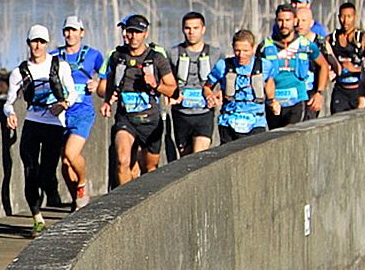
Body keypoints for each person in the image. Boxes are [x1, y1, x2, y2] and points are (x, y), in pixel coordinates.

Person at [3, 24, 77, 231]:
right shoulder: (19, 72)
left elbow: (72, 93)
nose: (37, 46)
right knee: (29, 171)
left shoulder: (59, 66)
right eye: (34, 42)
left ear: (47, 44)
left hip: (54, 125)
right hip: (32, 124)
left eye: (41, 42)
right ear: (28, 44)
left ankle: (49, 194)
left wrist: (63, 104)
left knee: (46, 173)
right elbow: (8, 102)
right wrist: (10, 113)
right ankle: (37, 216)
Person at [102, 15, 177, 187]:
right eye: (130, 32)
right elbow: (110, 82)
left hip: (150, 121)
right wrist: (107, 101)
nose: (133, 36)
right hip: (125, 119)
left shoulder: (157, 58)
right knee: (122, 160)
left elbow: (172, 89)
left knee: (150, 168)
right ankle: (125, 205)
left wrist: (156, 84)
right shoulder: (117, 57)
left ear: (145, 34)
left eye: (138, 32)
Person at [54, 16, 105, 208]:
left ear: (81, 33)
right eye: (67, 30)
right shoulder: (55, 55)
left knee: (71, 153)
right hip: (61, 115)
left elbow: (106, 76)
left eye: (74, 30)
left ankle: (83, 183)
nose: (70, 34)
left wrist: (98, 83)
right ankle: (77, 201)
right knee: (65, 164)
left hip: (83, 112)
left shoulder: (93, 55)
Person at [168, 11, 221, 157]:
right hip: (181, 114)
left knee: (199, 157)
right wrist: (169, 94)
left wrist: (218, 95)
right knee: (185, 159)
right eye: (187, 28)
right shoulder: (173, 53)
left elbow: (223, 80)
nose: (191, 32)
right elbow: (167, 80)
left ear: (203, 29)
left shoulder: (215, 54)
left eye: (196, 28)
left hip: (204, 114)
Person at [261, 5, 316, 129]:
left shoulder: (305, 44)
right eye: (280, 20)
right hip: (274, 102)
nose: (283, 24)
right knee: (274, 138)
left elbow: (323, 65)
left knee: (291, 134)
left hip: (296, 100)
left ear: (294, 21)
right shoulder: (266, 45)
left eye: (287, 20)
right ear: (276, 21)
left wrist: (319, 92)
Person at [212, 30, 269, 143]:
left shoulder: (265, 65)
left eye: (245, 51)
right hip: (229, 121)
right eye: (237, 50)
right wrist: (211, 97)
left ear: (253, 48)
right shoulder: (222, 66)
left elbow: (271, 83)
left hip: (255, 122)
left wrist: (272, 101)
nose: (241, 55)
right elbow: (207, 87)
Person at [322, 3, 365, 113]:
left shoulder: (363, 39)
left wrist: (356, 69)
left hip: (358, 91)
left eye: (349, 17)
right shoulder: (332, 39)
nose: (345, 21)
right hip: (340, 91)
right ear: (338, 17)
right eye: (343, 17)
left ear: (355, 17)